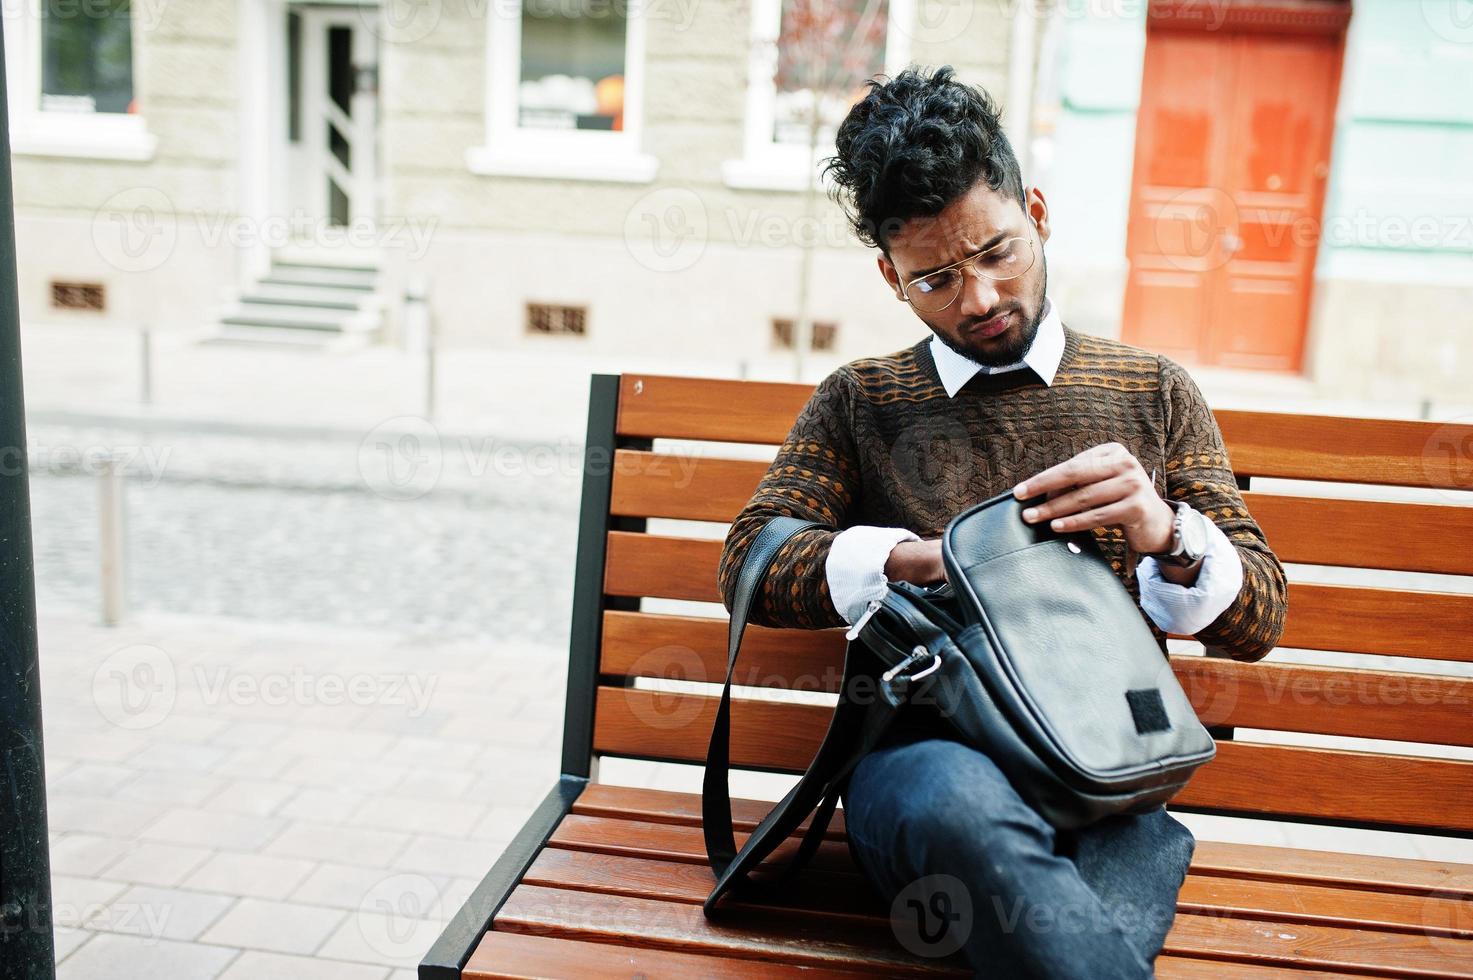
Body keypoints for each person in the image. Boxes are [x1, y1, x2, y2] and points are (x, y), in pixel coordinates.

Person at [715, 66, 1288, 978]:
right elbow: (751, 561)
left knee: (1089, 877)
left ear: (1038, 212)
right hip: (923, 768)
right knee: (962, 808)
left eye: (996, 251)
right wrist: (921, 560)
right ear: (888, 277)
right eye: (934, 277)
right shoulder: (861, 399)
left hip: (1102, 775)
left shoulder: (1152, 392)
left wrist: (1166, 532)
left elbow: (1256, 619)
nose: (977, 298)